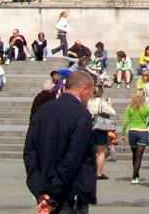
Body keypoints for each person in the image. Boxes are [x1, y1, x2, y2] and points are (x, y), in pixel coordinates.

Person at [23, 71, 97, 213]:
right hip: (70, 193)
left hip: (45, 189)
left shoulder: (43, 110)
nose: (90, 96)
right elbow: (73, 159)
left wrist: (38, 190)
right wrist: (54, 198)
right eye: (91, 92)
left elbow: (29, 152)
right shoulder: (81, 114)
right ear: (83, 90)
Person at [121, 89, 149, 184]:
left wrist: (122, 134)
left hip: (132, 132)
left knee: (134, 155)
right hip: (143, 132)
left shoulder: (129, 107)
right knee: (139, 156)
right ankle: (134, 176)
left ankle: (136, 175)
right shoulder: (146, 108)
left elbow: (125, 122)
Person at [86, 85, 115, 181]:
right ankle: (98, 173)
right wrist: (109, 106)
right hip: (100, 127)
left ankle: (90, 171)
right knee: (101, 151)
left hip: (91, 126)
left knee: (92, 150)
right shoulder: (102, 103)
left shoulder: (89, 101)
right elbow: (113, 112)